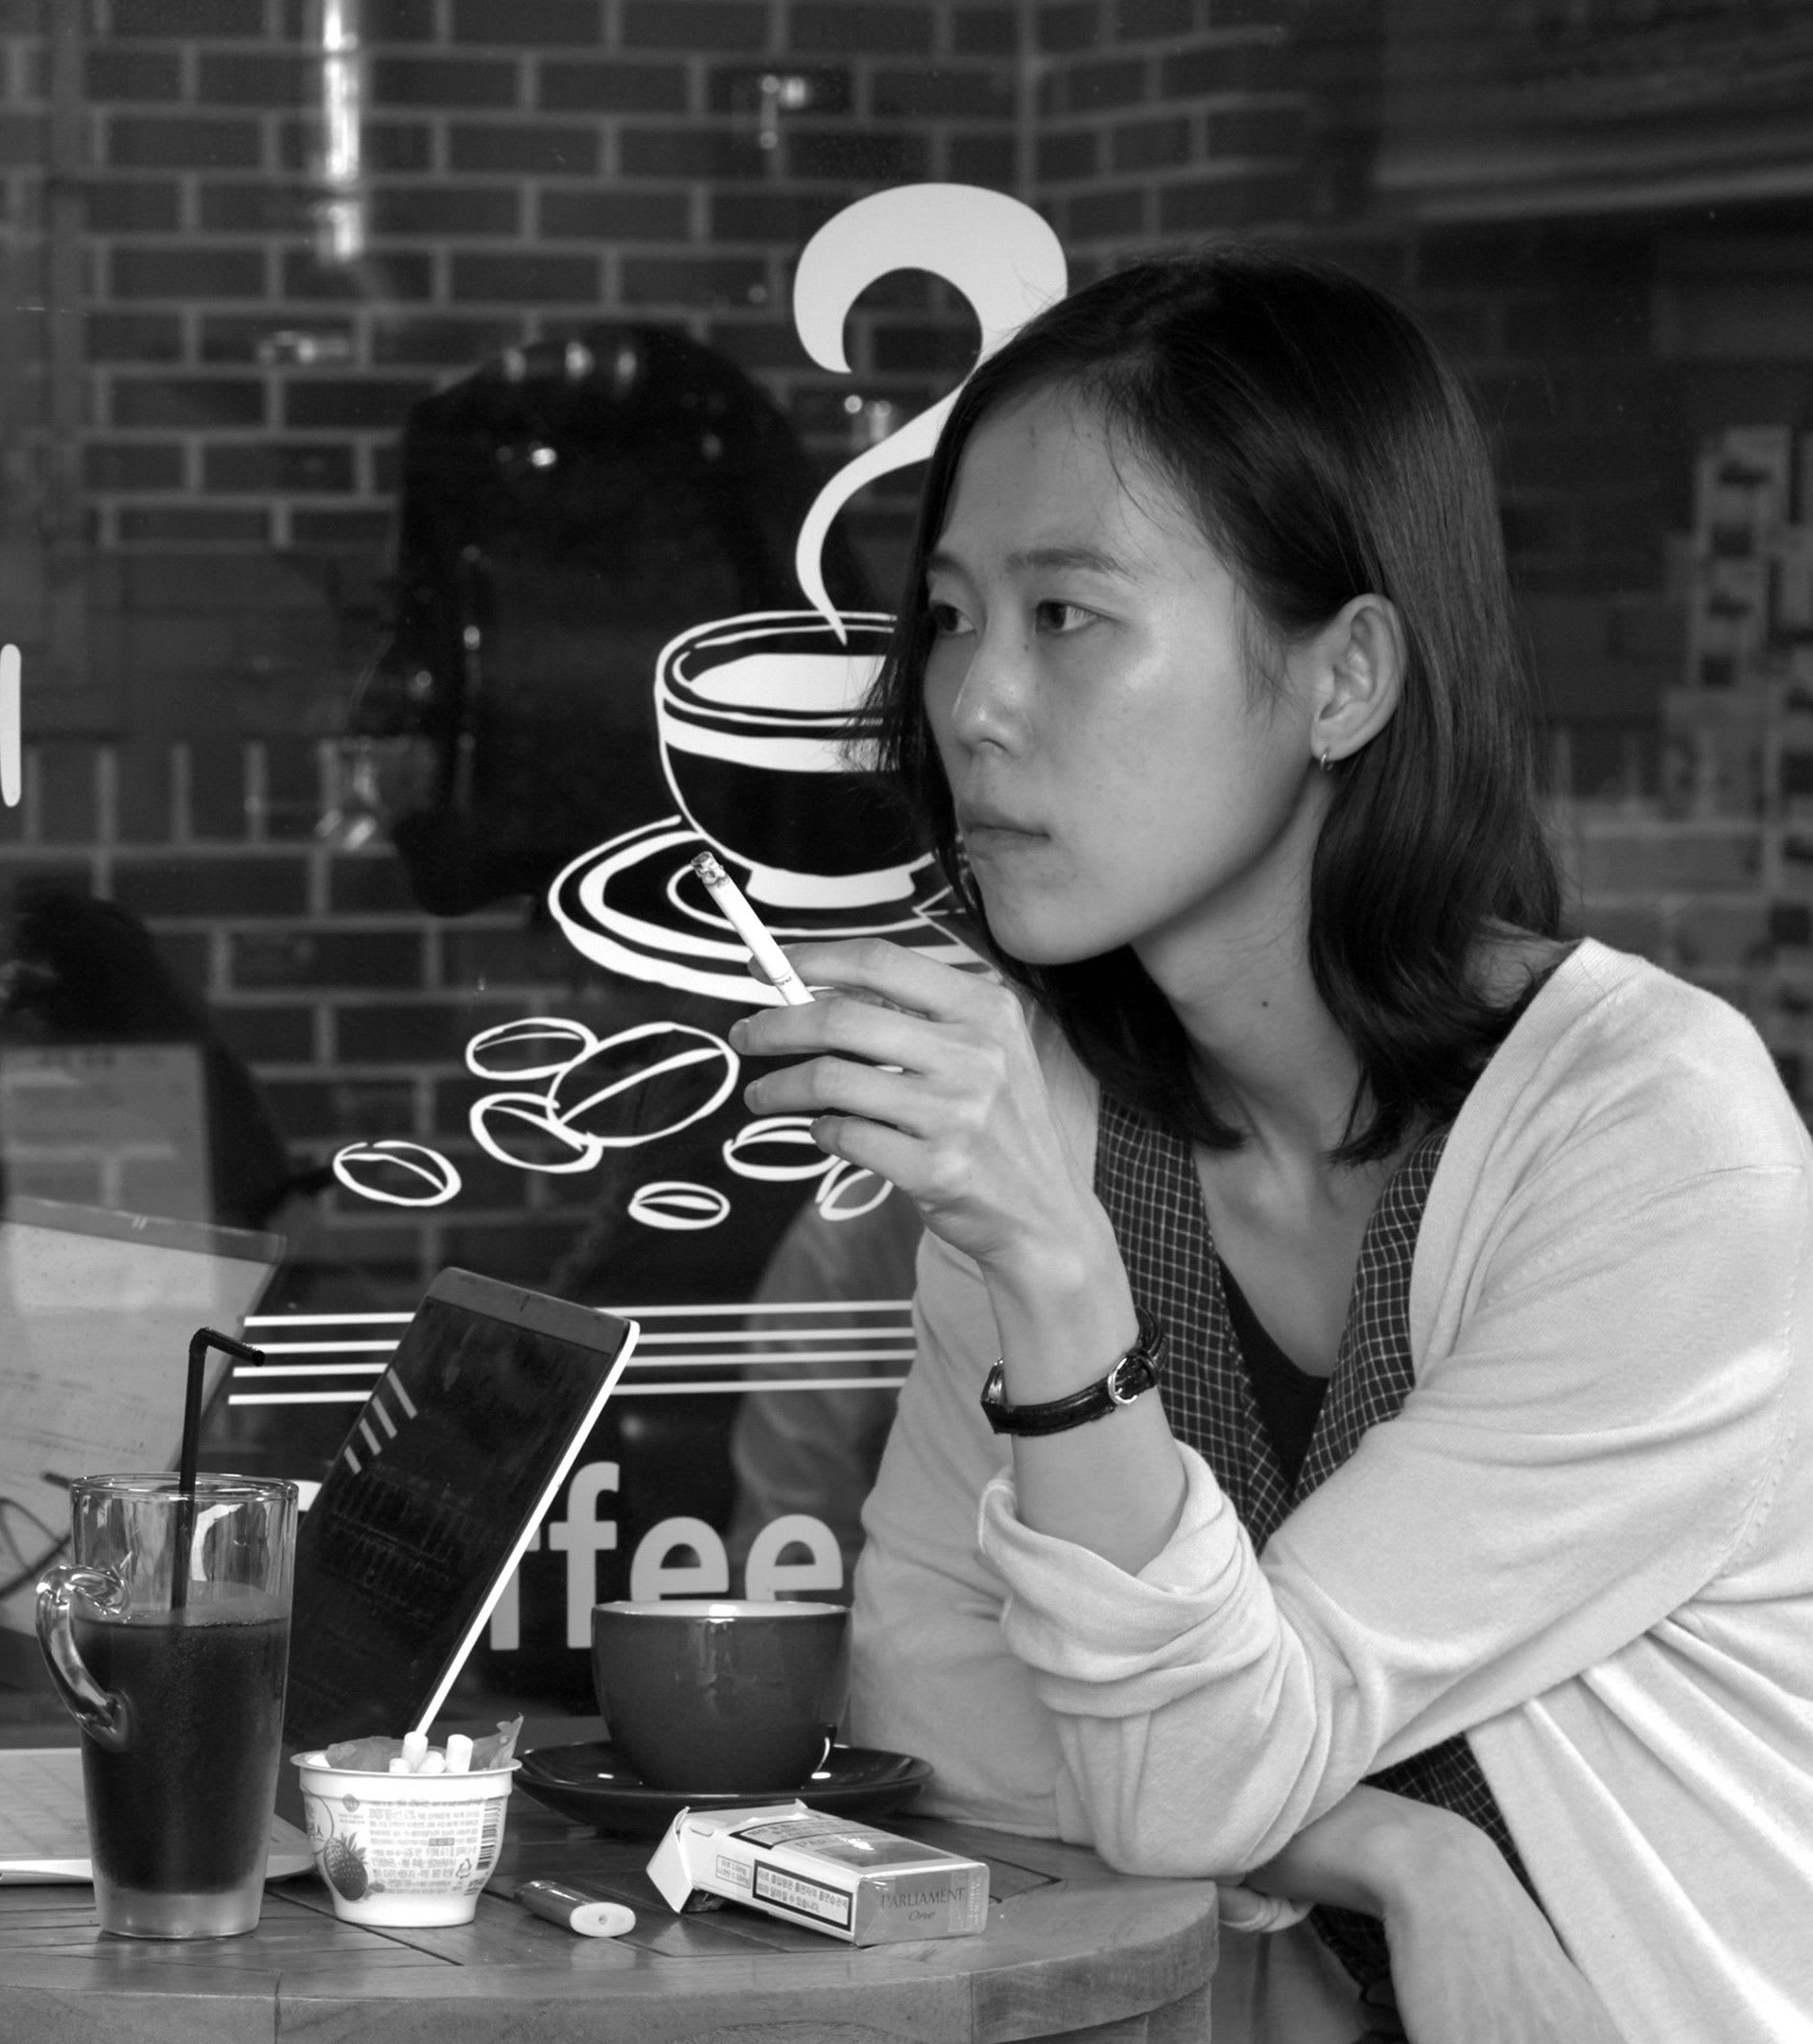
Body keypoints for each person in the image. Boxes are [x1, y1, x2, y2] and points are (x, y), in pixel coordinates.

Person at [729, 247, 1812, 2043]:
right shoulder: (1059, 1114)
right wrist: (1396, 1857)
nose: (971, 701)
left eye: (1066, 615)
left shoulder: (1656, 1146)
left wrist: (1057, 1277)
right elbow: (942, 1716)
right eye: (951, 617)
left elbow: (1186, 1776)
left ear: (1344, 679)